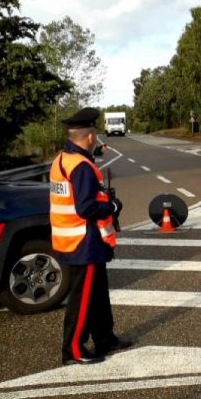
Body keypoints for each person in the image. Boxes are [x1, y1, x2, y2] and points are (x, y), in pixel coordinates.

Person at [49, 107, 133, 365]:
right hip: (83, 242)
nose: (95, 139)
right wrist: (112, 207)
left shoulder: (63, 159)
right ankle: (72, 349)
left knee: (97, 293)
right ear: (89, 136)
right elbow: (86, 207)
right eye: (94, 136)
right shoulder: (81, 167)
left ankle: (105, 338)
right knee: (82, 298)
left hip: (75, 240)